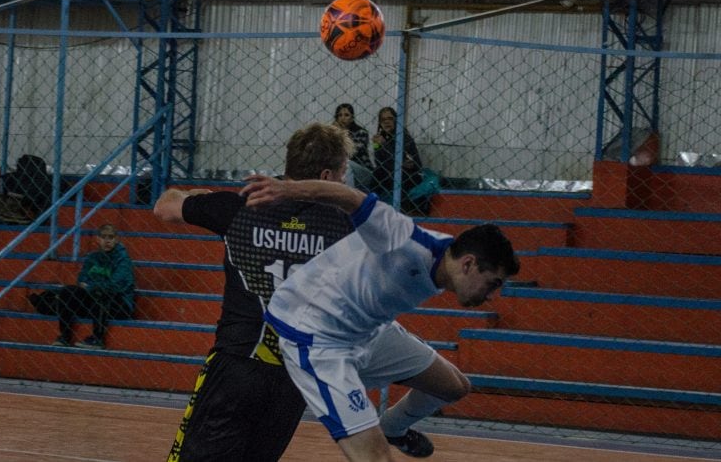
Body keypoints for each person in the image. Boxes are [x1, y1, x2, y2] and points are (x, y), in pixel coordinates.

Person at [241, 176, 520, 462]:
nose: (490, 297)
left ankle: (392, 428)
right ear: (469, 263)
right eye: (492, 284)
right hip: (316, 335)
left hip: (366, 329)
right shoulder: (403, 239)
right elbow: (352, 198)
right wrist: (288, 189)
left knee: (454, 386)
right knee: (375, 458)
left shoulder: (445, 259)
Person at [153, 123, 357, 461]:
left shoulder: (241, 208)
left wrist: (198, 197)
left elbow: (164, 207)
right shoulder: (344, 227)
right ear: (326, 175)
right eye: (343, 174)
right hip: (296, 373)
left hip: (237, 362)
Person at [30, 223, 135, 349]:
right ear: (98, 239)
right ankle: (64, 337)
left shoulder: (123, 260)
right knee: (68, 291)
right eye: (103, 237)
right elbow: (81, 279)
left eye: (111, 237)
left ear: (116, 239)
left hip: (119, 304)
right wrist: (91, 286)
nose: (107, 241)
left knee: (100, 291)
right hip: (94, 302)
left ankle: (98, 339)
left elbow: (115, 286)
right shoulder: (92, 257)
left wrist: (91, 286)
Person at [371, 107, 425, 213]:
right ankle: (372, 209)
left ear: (396, 120)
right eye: (383, 119)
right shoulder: (379, 139)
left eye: (390, 118)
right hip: (389, 171)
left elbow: (408, 164)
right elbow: (379, 162)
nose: (386, 122)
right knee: (377, 173)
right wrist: (378, 146)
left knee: (398, 175)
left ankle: (403, 211)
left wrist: (384, 146)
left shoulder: (403, 137)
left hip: (410, 175)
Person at [333, 103, 374, 190]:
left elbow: (352, 152)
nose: (342, 118)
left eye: (346, 115)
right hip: (341, 170)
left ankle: (346, 198)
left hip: (363, 171)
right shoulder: (332, 133)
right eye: (340, 115)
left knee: (347, 164)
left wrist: (341, 134)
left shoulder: (361, 132)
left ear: (352, 118)